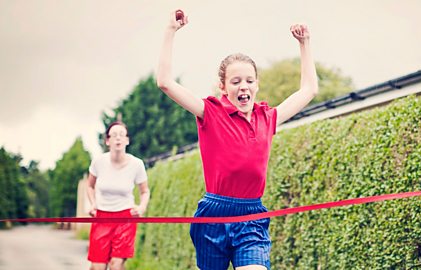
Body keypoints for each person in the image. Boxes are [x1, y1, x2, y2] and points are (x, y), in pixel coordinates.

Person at [156, 9, 318, 270]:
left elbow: (309, 90)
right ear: (223, 87)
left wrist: (305, 44)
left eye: (249, 80)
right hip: (213, 215)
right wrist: (170, 31)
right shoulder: (209, 112)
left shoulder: (268, 118)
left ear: (256, 85)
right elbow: (164, 82)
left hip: (251, 217)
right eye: (235, 81)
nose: (243, 86)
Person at [86, 121, 150, 270]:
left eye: (122, 135)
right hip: (101, 217)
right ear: (108, 141)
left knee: (116, 265)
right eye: (114, 135)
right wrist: (93, 203)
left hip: (125, 219)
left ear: (127, 140)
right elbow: (90, 186)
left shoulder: (137, 164)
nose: (118, 138)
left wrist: (142, 207)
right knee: (98, 267)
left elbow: (145, 191)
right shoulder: (98, 162)